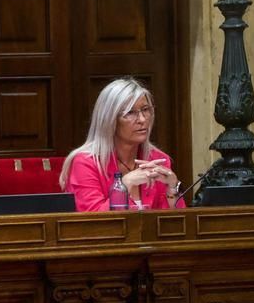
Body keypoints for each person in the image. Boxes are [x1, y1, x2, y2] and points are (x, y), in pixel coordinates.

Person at [60, 78, 183, 211]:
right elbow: (92, 219)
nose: (142, 119)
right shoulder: (86, 163)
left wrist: (173, 188)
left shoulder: (158, 160)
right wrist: (123, 185)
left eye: (145, 109)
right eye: (130, 112)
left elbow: (178, 220)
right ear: (109, 119)